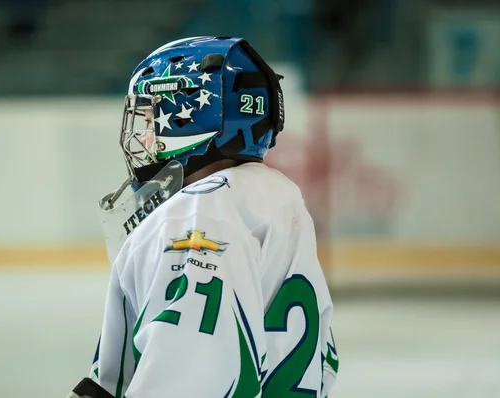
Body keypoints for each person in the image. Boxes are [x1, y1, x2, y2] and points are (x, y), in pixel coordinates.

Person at [67, 36, 338, 398]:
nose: (145, 137)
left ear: (191, 117)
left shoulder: (197, 217)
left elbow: (187, 382)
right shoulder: (274, 198)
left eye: (151, 115)